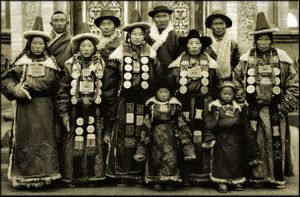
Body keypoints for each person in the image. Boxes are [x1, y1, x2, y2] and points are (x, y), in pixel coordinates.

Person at [233, 12, 299, 189]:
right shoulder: (246, 59)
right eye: (260, 40)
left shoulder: (283, 58)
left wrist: (285, 105)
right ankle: (256, 177)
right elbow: (236, 81)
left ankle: (274, 177)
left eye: (266, 40)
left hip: (275, 110)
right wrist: (242, 101)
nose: (263, 43)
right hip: (252, 109)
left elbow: (294, 83)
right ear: (256, 42)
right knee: (254, 142)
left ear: (271, 40)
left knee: (273, 143)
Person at [1, 17, 61, 188]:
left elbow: (55, 85)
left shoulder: (51, 64)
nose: (38, 47)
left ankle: (46, 176)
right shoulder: (20, 63)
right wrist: (16, 89)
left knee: (46, 140)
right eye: (34, 44)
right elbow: (6, 81)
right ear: (29, 44)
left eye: (41, 44)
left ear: (45, 45)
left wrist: (33, 85)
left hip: (46, 109)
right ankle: (25, 177)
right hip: (25, 109)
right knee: (26, 140)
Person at [106, 10, 162, 186]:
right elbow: (110, 81)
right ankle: (123, 173)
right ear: (129, 35)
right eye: (134, 34)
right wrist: (112, 103)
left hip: (144, 101)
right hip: (125, 100)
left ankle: (139, 173)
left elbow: (158, 77)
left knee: (142, 134)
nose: (137, 37)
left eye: (140, 34)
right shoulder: (119, 52)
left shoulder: (151, 53)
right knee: (125, 135)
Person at [56, 23, 108, 187]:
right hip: (75, 109)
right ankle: (74, 177)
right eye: (83, 45)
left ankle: (93, 176)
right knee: (75, 141)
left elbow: (106, 88)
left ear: (94, 47)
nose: (86, 49)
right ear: (78, 47)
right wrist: (63, 112)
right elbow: (63, 90)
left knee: (93, 140)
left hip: (95, 109)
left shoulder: (101, 64)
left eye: (90, 45)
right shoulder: (70, 65)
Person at [167, 29, 219, 185]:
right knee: (184, 135)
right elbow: (170, 81)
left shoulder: (210, 63)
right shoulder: (179, 62)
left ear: (202, 46)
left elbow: (216, 83)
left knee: (203, 134)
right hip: (184, 103)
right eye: (191, 43)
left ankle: (204, 173)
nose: (194, 46)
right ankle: (185, 174)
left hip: (204, 103)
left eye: (197, 43)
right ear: (186, 46)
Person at [134, 81, 196, 190]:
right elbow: (147, 125)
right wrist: (144, 142)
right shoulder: (152, 107)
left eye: (166, 92)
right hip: (155, 137)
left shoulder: (175, 107)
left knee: (171, 158)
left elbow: (182, 124)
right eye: (160, 92)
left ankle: (170, 180)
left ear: (170, 94)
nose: (163, 94)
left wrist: (187, 145)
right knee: (155, 157)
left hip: (171, 136)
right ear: (156, 94)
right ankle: (156, 180)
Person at [202, 81, 263, 193]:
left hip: (236, 139)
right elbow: (210, 124)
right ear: (220, 94)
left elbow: (246, 126)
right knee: (221, 160)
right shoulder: (215, 107)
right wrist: (210, 138)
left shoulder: (239, 108)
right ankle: (222, 182)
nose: (227, 96)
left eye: (230, 94)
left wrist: (249, 142)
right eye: (224, 93)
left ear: (234, 95)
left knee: (236, 160)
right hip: (221, 139)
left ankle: (237, 180)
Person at [145, 2, 182, 78]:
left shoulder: (176, 36)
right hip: (150, 75)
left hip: (171, 76)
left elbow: (181, 59)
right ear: (153, 19)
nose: (161, 20)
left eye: (164, 16)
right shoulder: (147, 35)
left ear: (169, 17)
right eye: (158, 16)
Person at [205, 10, 240, 80]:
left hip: (228, 80)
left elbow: (237, 64)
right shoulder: (205, 43)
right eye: (215, 24)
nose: (218, 27)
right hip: (208, 79)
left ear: (226, 25)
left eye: (221, 23)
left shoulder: (232, 44)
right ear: (211, 26)